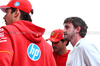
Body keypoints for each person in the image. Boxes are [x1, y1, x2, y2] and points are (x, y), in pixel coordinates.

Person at [0, 0, 56, 66]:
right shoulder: (47, 47)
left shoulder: (6, 31)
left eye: (7, 12)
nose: (4, 17)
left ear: (16, 13)